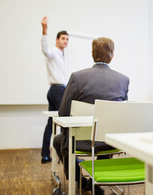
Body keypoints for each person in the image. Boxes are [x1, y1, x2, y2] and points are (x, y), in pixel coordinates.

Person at [53, 37, 129, 195]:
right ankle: (98, 179)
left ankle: (80, 181)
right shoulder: (123, 80)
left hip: (81, 141)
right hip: (110, 141)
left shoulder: (77, 77)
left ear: (92, 54)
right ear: (112, 55)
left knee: (58, 140)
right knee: (103, 134)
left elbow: (63, 113)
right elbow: (122, 114)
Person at [40, 16, 69, 164]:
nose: (65, 41)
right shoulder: (52, 52)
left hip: (57, 90)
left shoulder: (63, 56)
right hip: (57, 91)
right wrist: (44, 29)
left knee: (50, 124)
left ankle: (45, 155)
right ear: (57, 40)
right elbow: (44, 50)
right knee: (65, 121)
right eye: (63, 38)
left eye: (67, 39)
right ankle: (65, 153)